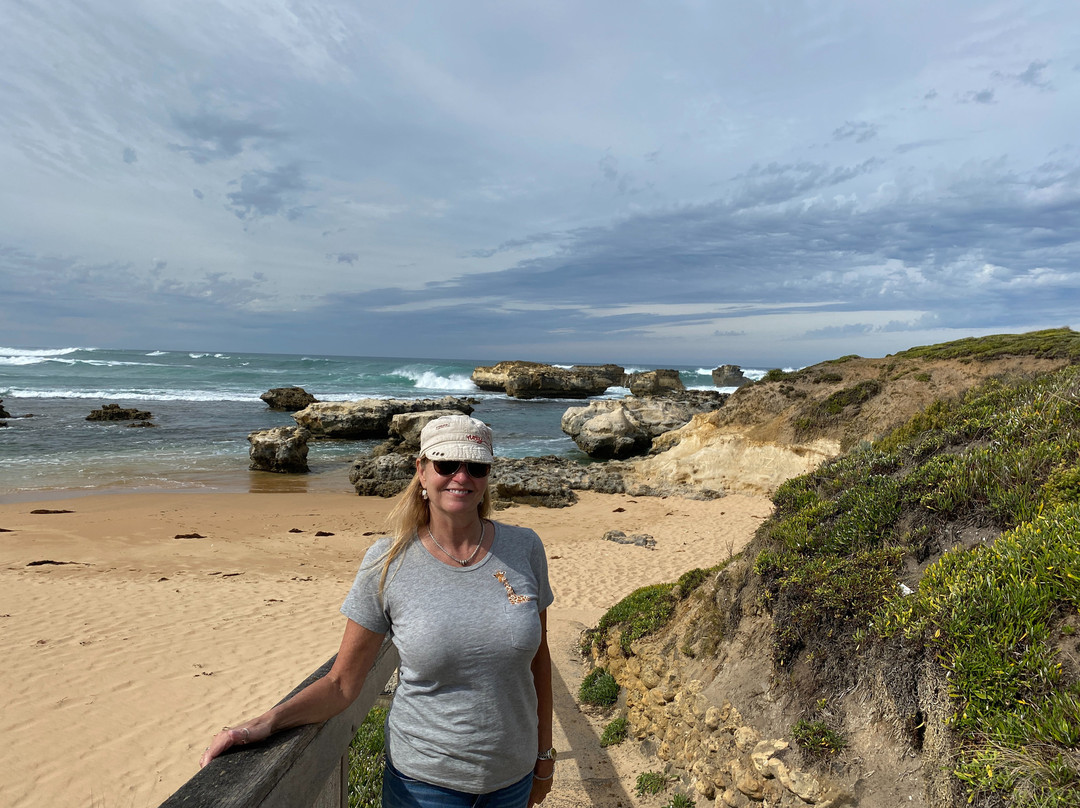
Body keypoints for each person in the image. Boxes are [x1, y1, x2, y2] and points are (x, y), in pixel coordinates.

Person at [200, 414, 556, 807]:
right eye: (446, 464)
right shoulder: (386, 562)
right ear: (421, 471)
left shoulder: (525, 548)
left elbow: (539, 662)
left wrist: (544, 758)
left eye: (476, 466)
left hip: (513, 781)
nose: (461, 476)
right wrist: (263, 724)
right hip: (423, 787)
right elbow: (341, 684)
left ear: (487, 475)